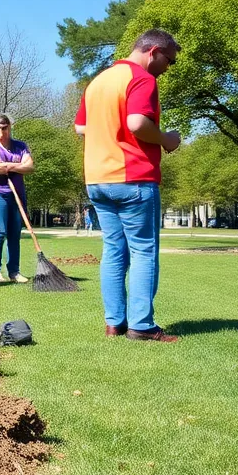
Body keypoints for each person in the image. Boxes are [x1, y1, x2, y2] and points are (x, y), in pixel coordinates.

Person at [75, 29, 182, 342]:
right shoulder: (142, 79)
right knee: (144, 251)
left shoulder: (99, 81)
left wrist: (108, 134)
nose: (168, 67)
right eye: (169, 60)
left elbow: (81, 126)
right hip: (133, 177)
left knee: (113, 251)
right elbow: (137, 123)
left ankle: (114, 323)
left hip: (97, 179)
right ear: (153, 52)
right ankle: (142, 325)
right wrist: (166, 140)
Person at [0, 114, 34, 283]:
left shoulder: (20, 146)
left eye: (4, 128)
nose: (1, 132)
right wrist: (19, 166)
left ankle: (14, 272)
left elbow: (30, 166)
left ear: (10, 127)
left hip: (17, 194)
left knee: (14, 233)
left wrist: (9, 166)